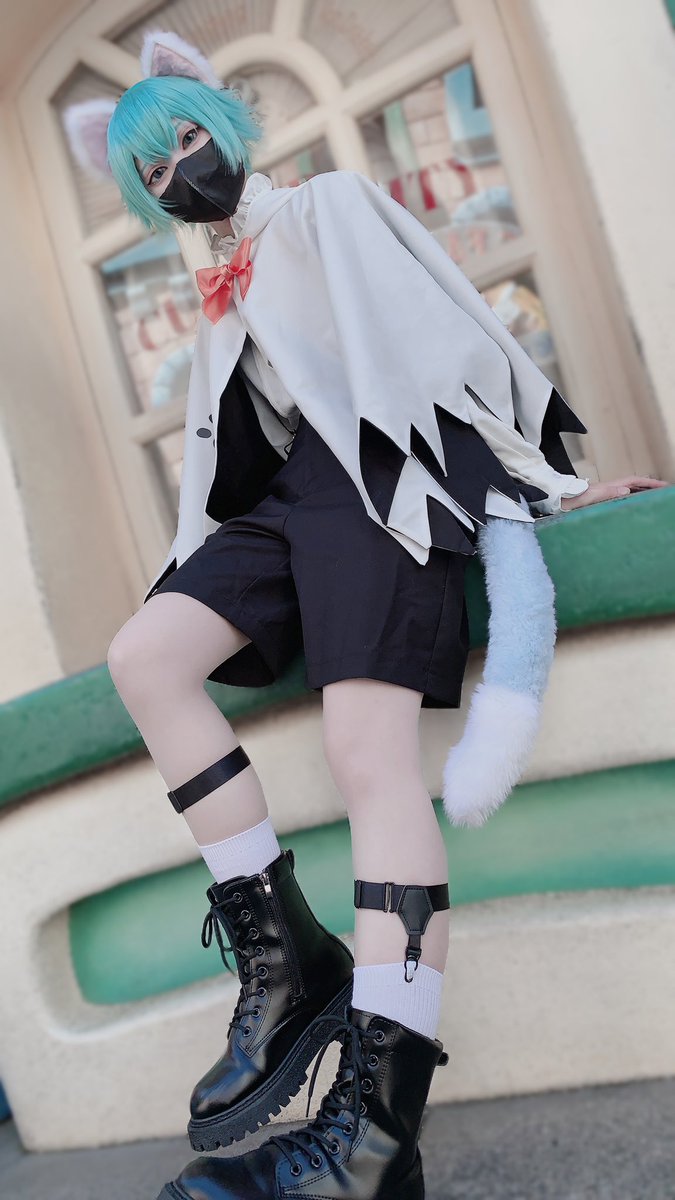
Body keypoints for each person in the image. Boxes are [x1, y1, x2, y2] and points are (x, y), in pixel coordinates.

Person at [65, 30, 668, 1200]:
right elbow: (231, 449)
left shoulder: (329, 205)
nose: (182, 170)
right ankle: (286, 954)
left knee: (367, 755)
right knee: (146, 656)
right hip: (283, 509)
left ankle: (376, 1142)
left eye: (188, 139)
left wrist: (550, 484)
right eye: (155, 170)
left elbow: (450, 339)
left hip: (379, 479)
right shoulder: (218, 281)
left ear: (226, 123)